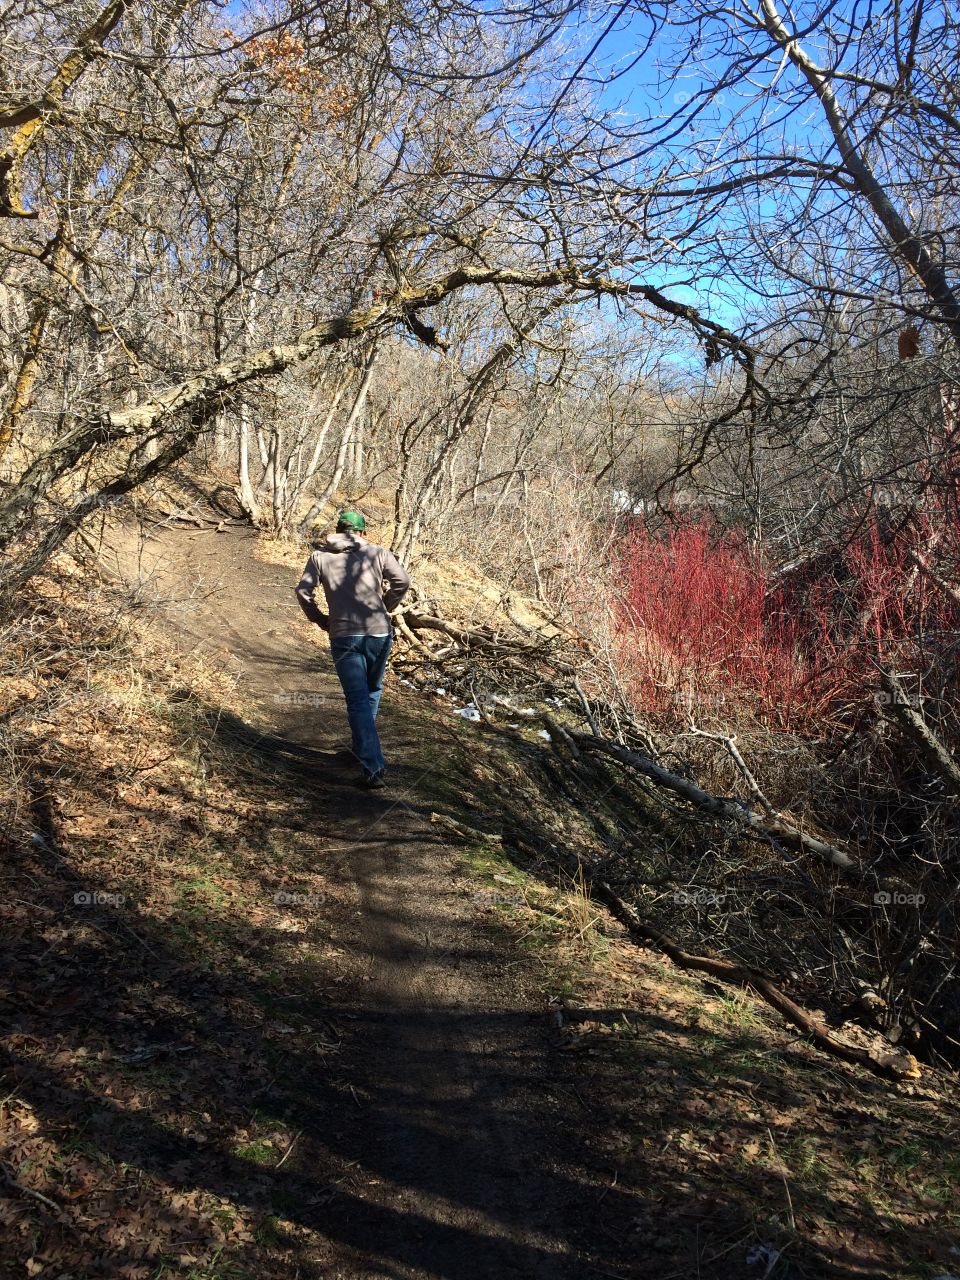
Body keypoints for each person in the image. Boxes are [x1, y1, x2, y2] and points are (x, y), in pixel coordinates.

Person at [295, 510, 411, 788]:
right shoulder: (378, 553)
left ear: (337, 530)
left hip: (344, 635)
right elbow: (403, 582)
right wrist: (386, 606)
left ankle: (369, 760)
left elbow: (303, 592)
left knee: (359, 698)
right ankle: (368, 757)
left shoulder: (320, 557)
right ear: (363, 532)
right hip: (379, 633)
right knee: (371, 692)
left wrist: (320, 619)